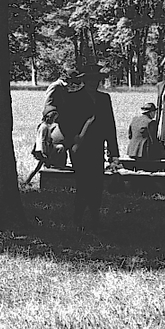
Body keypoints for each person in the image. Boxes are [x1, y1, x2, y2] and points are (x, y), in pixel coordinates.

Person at [61, 60, 121, 230]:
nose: (94, 83)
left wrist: (114, 153)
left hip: (97, 147)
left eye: (96, 79)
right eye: (90, 79)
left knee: (97, 183)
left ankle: (95, 218)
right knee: (83, 183)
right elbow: (64, 122)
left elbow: (110, 126)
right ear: (84, 80)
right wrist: (73, 139)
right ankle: (78, 218)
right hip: (79, 148)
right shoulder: (73, 98)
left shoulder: (104, 99)